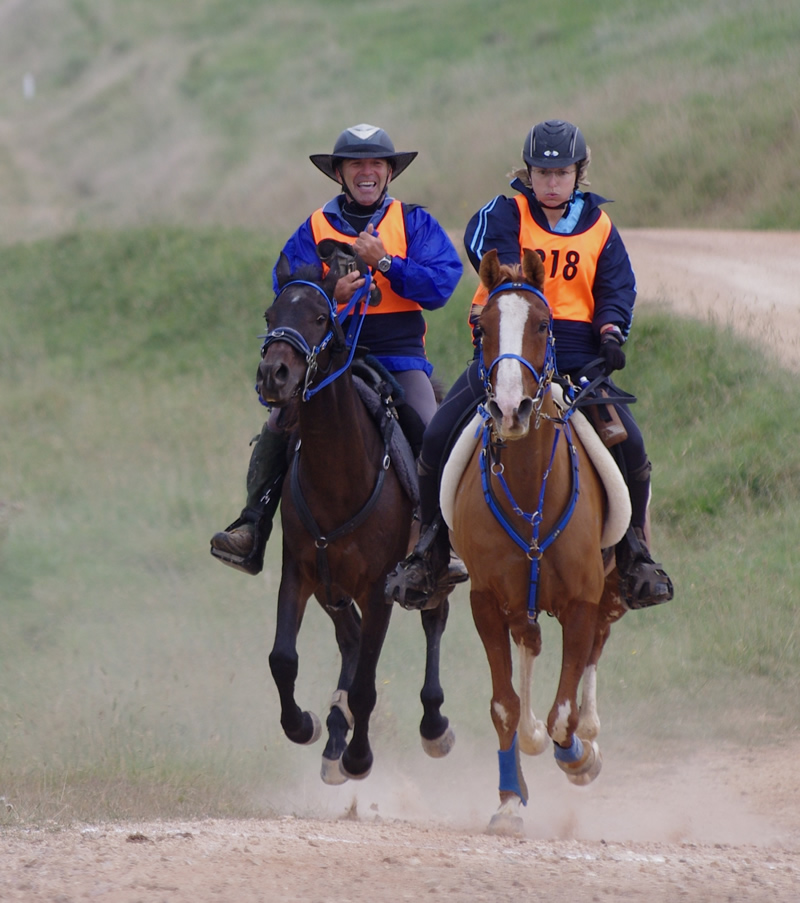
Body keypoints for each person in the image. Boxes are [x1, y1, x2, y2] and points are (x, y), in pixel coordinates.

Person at [386, 119, 673, 611]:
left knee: (632, 445)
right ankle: (429, 551)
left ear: (578, 173)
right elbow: (486, 246)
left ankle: (635, 556)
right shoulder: (503, 212)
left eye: (561, 173)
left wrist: (610, 331)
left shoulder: (600, 227)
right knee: (436, 437)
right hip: (509, 350)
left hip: (577, 354)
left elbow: (616, 287)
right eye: (542, 173)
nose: (552, 182)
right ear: (528, 173)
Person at [210, 123, 464, 575]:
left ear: (389, 172)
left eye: (376, 164)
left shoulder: (413, 222)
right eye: (356, 165)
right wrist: (333, 296)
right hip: (330, 361)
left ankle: (440, 546)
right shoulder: (314, 227)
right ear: (340, 174)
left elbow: (442, 284)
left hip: (400, 358)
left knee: (432, 432)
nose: (367, 172)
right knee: (276, 426)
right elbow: (286, 292)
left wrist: (386, 263)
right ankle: (253, 527)